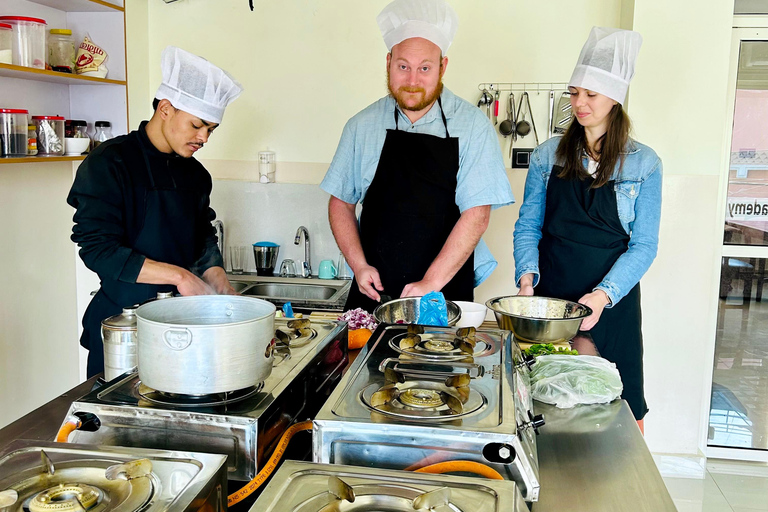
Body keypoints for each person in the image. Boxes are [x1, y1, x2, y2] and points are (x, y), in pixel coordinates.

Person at [321, 0, 513, 313]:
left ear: (443, 66)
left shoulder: (472, 126)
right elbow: (340, 202)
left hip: (443, 298)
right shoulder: (361, 126)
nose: (412, 81)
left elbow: (477, 216)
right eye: (403, 67)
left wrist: (430, 283)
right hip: (374, 297)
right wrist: (358, 266)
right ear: (388, 63)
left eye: (424, 68)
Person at [513, 27, 662, 428]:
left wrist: (601, 297)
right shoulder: (548, 156)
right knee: (549, 406)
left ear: (614, 98)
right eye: (574, 92)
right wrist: (527, 281)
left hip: (612, 303)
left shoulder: (644, 165)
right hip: (552, 302)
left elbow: (644, 246)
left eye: (590, 95)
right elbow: (529, 225)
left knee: (625, 413)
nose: (578, 103)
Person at [67, 46, 243, 378]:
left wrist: (215, 275)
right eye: (197, 125)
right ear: (165, 108)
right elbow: (98, 251)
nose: (203, 137)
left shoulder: (195, 174)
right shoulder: (109, 163)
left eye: (211, 129)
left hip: (182, 327)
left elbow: (201, 235)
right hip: (124, 328)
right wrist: (181, 277)